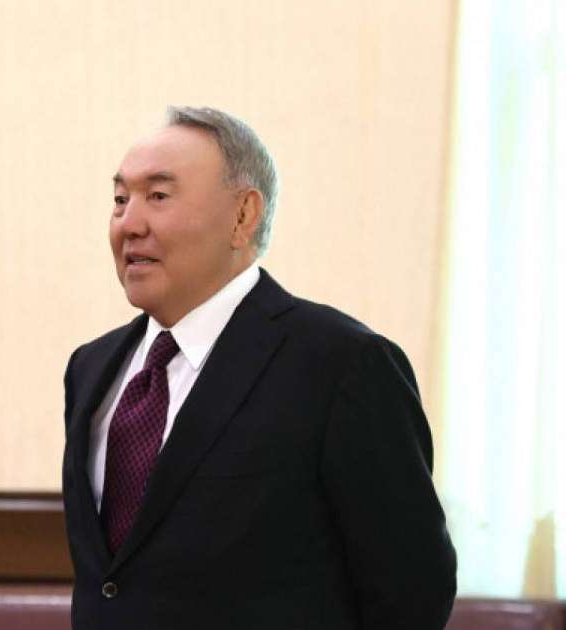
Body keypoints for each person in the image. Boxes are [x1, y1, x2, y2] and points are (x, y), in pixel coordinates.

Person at [61, 106, 456, 629]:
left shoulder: (342, 365)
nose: (130, 225)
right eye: (119, 200)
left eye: (158, 196)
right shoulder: (91, 369)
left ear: (243, 216)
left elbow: (413, 593)